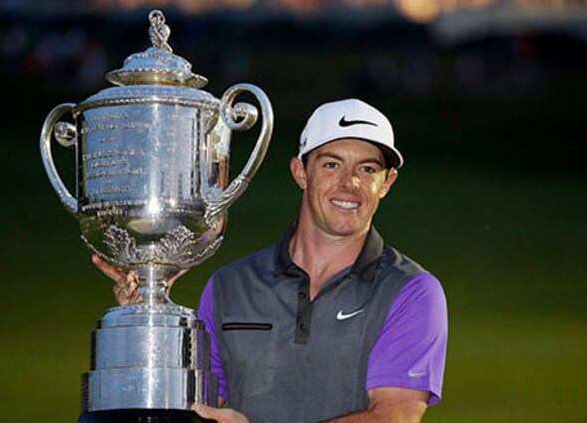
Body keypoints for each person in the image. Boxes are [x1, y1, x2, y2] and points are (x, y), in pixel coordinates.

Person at [95, 99, 448, 423]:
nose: (350, 183)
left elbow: (392, 417)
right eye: (331, 164)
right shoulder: (229, 286)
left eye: (368, 169)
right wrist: (145, 324)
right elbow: (199, 408)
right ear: (300, 172)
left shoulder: (411, 291)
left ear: (387, 182)